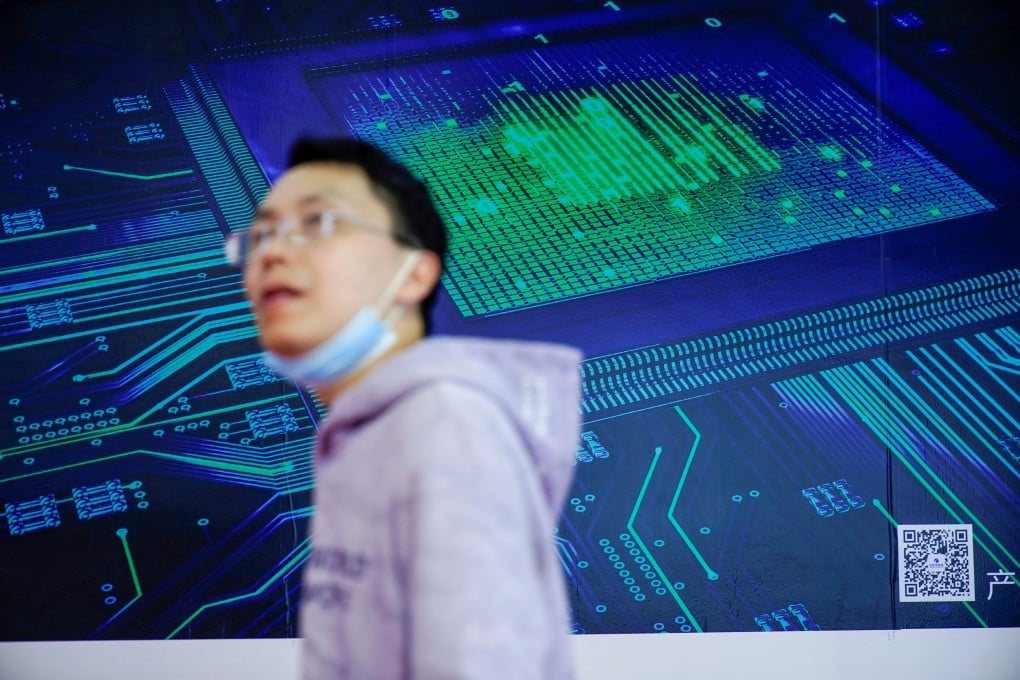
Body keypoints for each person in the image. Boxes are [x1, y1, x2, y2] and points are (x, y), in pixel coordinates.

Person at [226, 137, 582, 679]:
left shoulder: (444, 426)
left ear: (415, 273)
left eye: (320, 221)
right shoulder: (372, 434)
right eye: (261, 235)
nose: (272, 252)